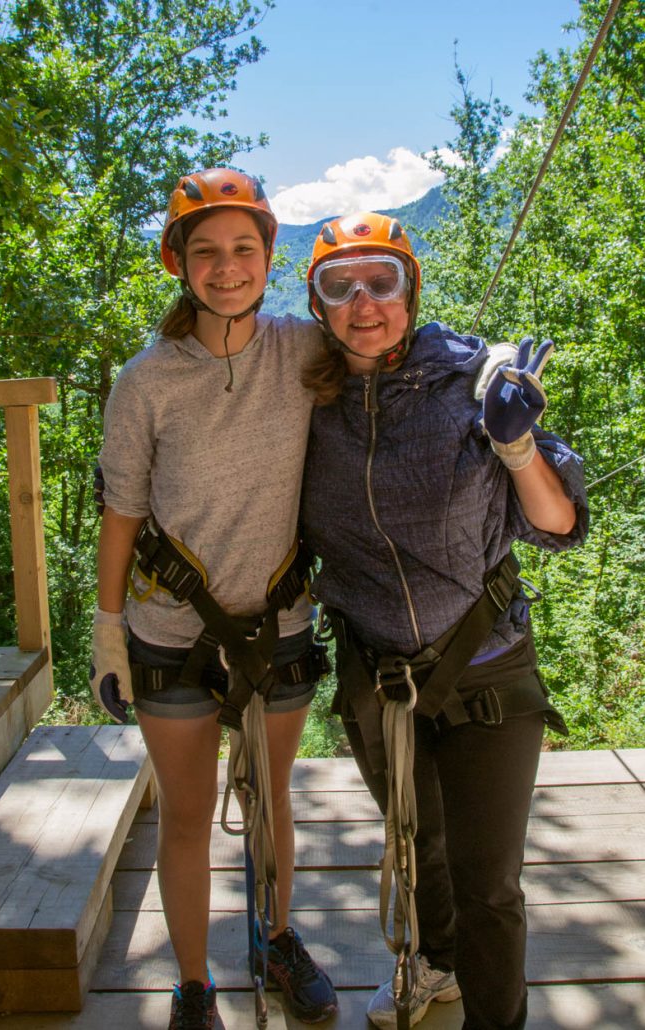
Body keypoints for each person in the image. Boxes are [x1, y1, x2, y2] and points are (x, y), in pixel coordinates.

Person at [300, 211, 588, 1030]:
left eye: (382, 282)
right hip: (378, 679)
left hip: (485, 666)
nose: (364, 303)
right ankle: (437, 969)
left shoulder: (474, 383)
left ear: (411, 290)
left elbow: (560, 525)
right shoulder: (306, 408)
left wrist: (518, 446)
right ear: (317, 305)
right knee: (419, 852)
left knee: (487, 881)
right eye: (339, 286)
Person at [89, 168, 338, 1030]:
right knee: (188, 815)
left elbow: (387, 351)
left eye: (244, 248)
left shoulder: (306, 351)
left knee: (273, 801)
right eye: (206, 252)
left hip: (278, 625)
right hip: (171, 634)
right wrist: (108, 628)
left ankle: (273, 939)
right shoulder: (147, 384)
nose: (226, 267)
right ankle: (194, 986)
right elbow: (122, 517)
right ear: (176, 263)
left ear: (271, 256)